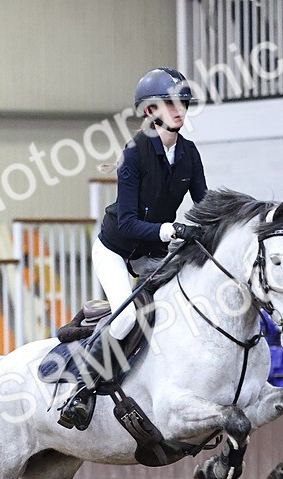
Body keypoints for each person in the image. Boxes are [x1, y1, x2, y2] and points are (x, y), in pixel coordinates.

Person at [58, 66, 208, 430]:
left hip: (152, 252)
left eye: (183, 103)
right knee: (126, 316)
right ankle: (81, 390)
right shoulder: (134, 154)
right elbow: (126, 223)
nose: (179, 110)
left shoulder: (189, 153)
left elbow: (205, 207)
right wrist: (170, 230)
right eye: (169, 103)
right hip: (116, 248)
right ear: (149, 111)